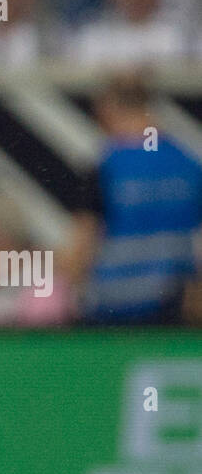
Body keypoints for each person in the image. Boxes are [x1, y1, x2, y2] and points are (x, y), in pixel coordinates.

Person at [67, 74, 202, 323]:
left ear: (107, 109)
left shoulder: (105, 166)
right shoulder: (189, 162)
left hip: (113, 306)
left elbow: (83, 244)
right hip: (173, 305)